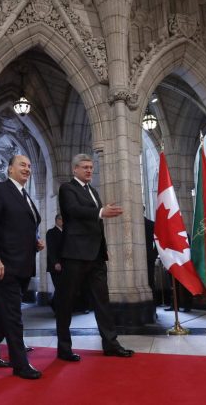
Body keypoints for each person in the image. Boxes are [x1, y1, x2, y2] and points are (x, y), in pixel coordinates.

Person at [55, 153, 134, 362]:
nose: (89, 170)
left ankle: (111, 344)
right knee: (66, 302)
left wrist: (104, 248)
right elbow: (73, 211)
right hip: (75, 254)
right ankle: (64, 348)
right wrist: (100, 212)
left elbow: (98, 226)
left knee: (102, 302)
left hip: (96, 255)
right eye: (84, 167)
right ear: (75, 170)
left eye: (91, 167)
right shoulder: (67, 189)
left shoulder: (93, 191)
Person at [0, 155, 44, 380]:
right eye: (22, 165)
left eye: (29, 166)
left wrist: (34, 243)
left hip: (23, 264)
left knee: (1, 312)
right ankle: (20, 364)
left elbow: (20, 227)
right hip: (4, 265)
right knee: (14, 316)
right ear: (9, 169)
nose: (27, 169)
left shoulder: (24, 196)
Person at [45, 214, 63, 311]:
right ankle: (56, 308)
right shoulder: (51, 232)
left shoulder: (66, 232)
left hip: (65, 265)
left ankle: (55, 305)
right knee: (59, 287)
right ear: (57, 220)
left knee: (62, 288)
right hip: (55, 265)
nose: (63, 222)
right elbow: (51, 250)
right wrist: (55, 262)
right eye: (61, 219)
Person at [143, 207, 157, 299]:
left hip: (148, 258)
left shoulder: (151, 224)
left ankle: (152, 309)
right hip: (134, 259)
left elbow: (158, 241)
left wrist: (154, 255)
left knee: (150, 282)